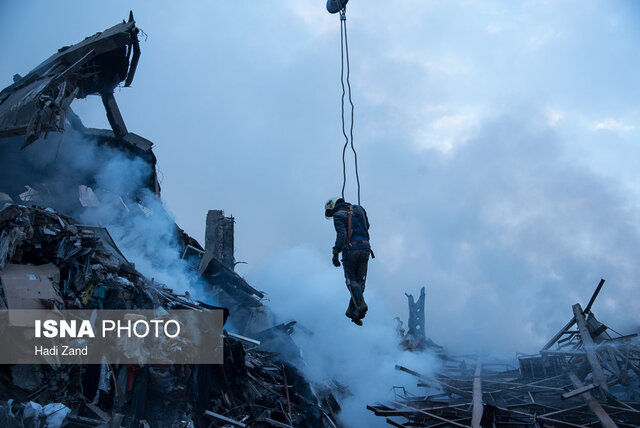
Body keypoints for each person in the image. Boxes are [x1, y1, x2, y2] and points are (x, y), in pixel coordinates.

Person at [325, 197, 373, 326]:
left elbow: (342, 235)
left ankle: (360, 305)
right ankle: (352, 311)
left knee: (350, 280)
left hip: (350, 251)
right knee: (360, 280)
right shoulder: (359, 208)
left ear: (332, 205)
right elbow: (367, 226)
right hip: (365, 248)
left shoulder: (338, 215)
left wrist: (336, 252)